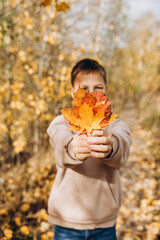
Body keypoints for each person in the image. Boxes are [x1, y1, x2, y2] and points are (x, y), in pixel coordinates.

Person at [47, 58, 132, 240]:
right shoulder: (62, 122)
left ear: (105, 90)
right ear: (72, 92)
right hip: (66, 222)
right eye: (83, 89)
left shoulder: (114, 125)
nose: (90, 94)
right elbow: (60, 141)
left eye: (97, 88)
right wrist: (72, 148)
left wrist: (111, 147)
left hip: (104, 223)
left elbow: (122, 144)